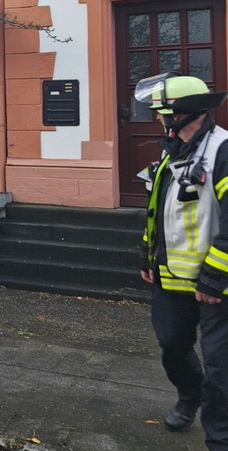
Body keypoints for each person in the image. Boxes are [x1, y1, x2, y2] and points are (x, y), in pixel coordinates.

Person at [135, 73, 228, 448]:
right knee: (172, 345)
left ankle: (219, 438)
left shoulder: (222, 150)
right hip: (171, 277)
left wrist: (214, 277)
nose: (157, 119)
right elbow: (158, 211)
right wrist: (148, 256)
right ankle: (189, 397)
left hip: (215, 284)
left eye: (161, 112)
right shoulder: (172, 151)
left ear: (184, 113)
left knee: (220, 368)